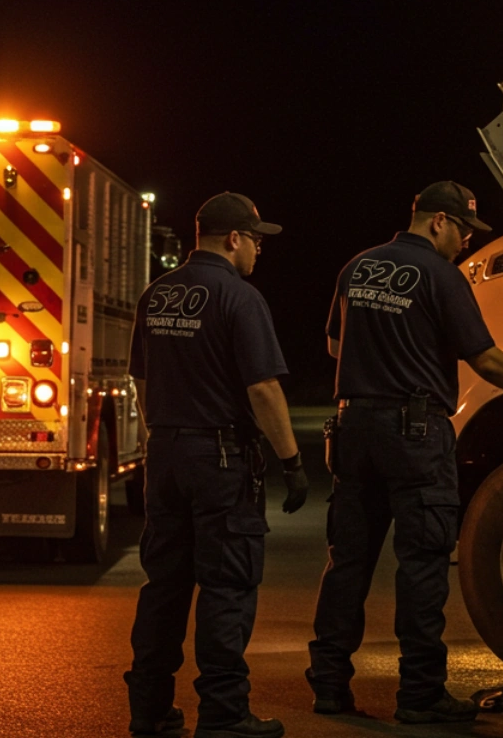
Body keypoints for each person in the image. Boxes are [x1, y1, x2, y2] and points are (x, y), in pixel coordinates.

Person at [306, 180, 503, 724]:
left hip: (353, 428)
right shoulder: (442, 277)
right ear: (438, 221)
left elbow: (333, 344)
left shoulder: (358, 267)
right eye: (464, 229)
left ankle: (328, 685)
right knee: (420, 565)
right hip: (414, 434)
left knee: (347, 562)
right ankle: (419, 695)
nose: (466, 241)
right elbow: (486, 359)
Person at [124, 191, 310, 738]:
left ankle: (150, 710)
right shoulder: (239, 296)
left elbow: (140, 380)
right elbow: (263, 389)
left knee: (164, 584)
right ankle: (225, 714)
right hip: (220, 457)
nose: (260, 250)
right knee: (227, 585)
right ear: (233, 239)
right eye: (256, 239)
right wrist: (291, 461)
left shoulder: (156, 295)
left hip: (165, 454)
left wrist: (163, 433)